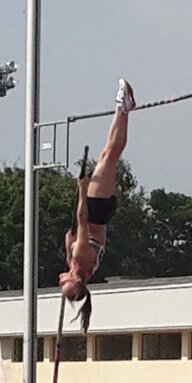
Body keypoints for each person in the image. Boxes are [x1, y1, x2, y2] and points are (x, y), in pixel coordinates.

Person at [59, 79, 137, 333]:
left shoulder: (79, 265)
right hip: (94, 210)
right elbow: (81, 221)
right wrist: (81, 190)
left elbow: (70, 232)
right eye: (65, 284)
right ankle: (121, 108)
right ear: (75, 279)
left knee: (108, 155)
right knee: (109, 156)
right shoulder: (80, 260)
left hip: (98, 215)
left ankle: (124, 109)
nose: (60, 281)